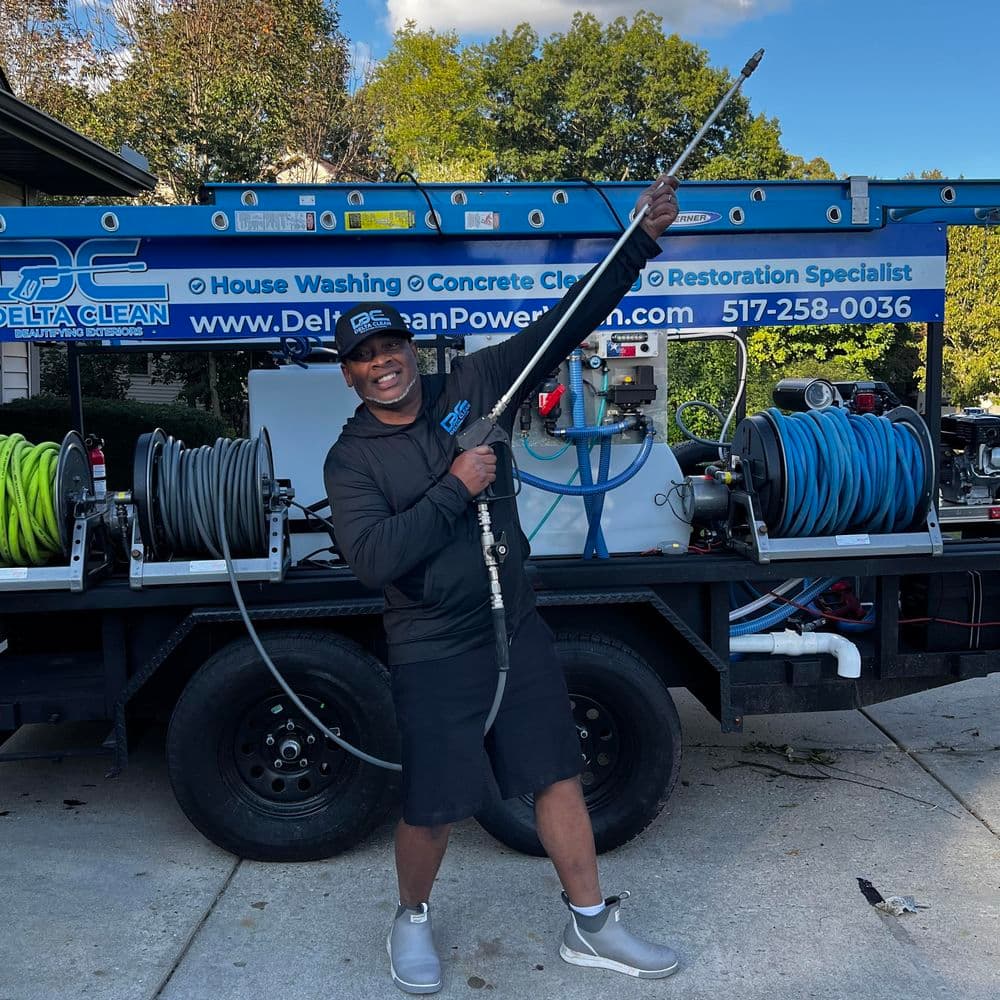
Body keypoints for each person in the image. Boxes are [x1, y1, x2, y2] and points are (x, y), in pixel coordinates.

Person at [324, 175, 681, 995]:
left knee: (558, 773)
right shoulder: (350, 460)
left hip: (514, 629)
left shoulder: (476, 383)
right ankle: (411, 919)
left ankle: (591, 924)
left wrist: (639, 241)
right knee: (435, 803)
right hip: (433, 647)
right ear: (349, 375)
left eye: (390, 348)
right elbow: (375, 558)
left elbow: (568, 320)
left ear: (410, 349)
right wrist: (457, 484)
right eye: (364, 358)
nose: (382, 365)